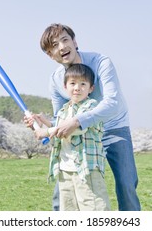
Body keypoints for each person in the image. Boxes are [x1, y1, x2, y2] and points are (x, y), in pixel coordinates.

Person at [26, 23, 141, 211]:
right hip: (82, 136)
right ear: (49, 54)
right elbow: (61, 119)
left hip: (113, 127)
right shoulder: (55, 80)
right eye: (54, 45)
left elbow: (112, 103)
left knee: (126, 184)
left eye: (65, 40)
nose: (62, 47)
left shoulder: (101, 62)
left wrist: (78, 121)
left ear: (74, 41)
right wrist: (41, 124)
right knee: (61, 191)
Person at [34, 63, 111, 211]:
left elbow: (73, 129)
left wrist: (47, 131)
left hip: (87, 169)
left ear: (91, 88)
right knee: (69, 211)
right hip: (65, 168)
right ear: (65, 87)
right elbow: (59, 130)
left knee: (94, 209)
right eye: (73, 83)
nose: (77, 88)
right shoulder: (64, 110)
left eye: (83, 84)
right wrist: (41, 123)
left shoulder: (91, 107)